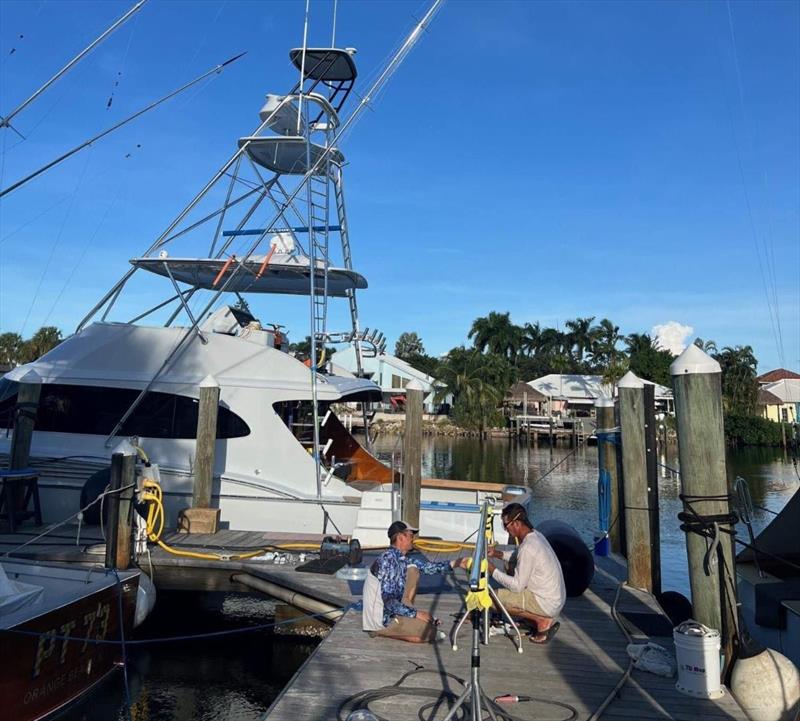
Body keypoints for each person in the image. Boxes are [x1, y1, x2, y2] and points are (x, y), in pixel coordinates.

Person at [362, 520, 467, 643]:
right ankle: (380, 632)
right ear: (401, 538)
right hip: (382, 620)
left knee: (413, 570)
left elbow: (428, 568)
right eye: (411, 536)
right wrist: (418, 614)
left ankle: (407, 616)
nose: (413, 539)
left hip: (391, 610)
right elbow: (389, 602)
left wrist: (458, 563)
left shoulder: (400, 557)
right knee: (429, 632)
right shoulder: (388, 561)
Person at [488, 503, 566, 644]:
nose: (506, 530)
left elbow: (517, 587)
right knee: (509, 564)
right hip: (555, 599)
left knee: (491, 598)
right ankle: (531, 618)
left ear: (516, 523)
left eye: (506, 525)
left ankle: (541, 620)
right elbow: (517, 555)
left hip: (547, 604)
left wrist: (492, 570)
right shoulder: (536, 535)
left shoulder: (528, 548)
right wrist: (496, 553)